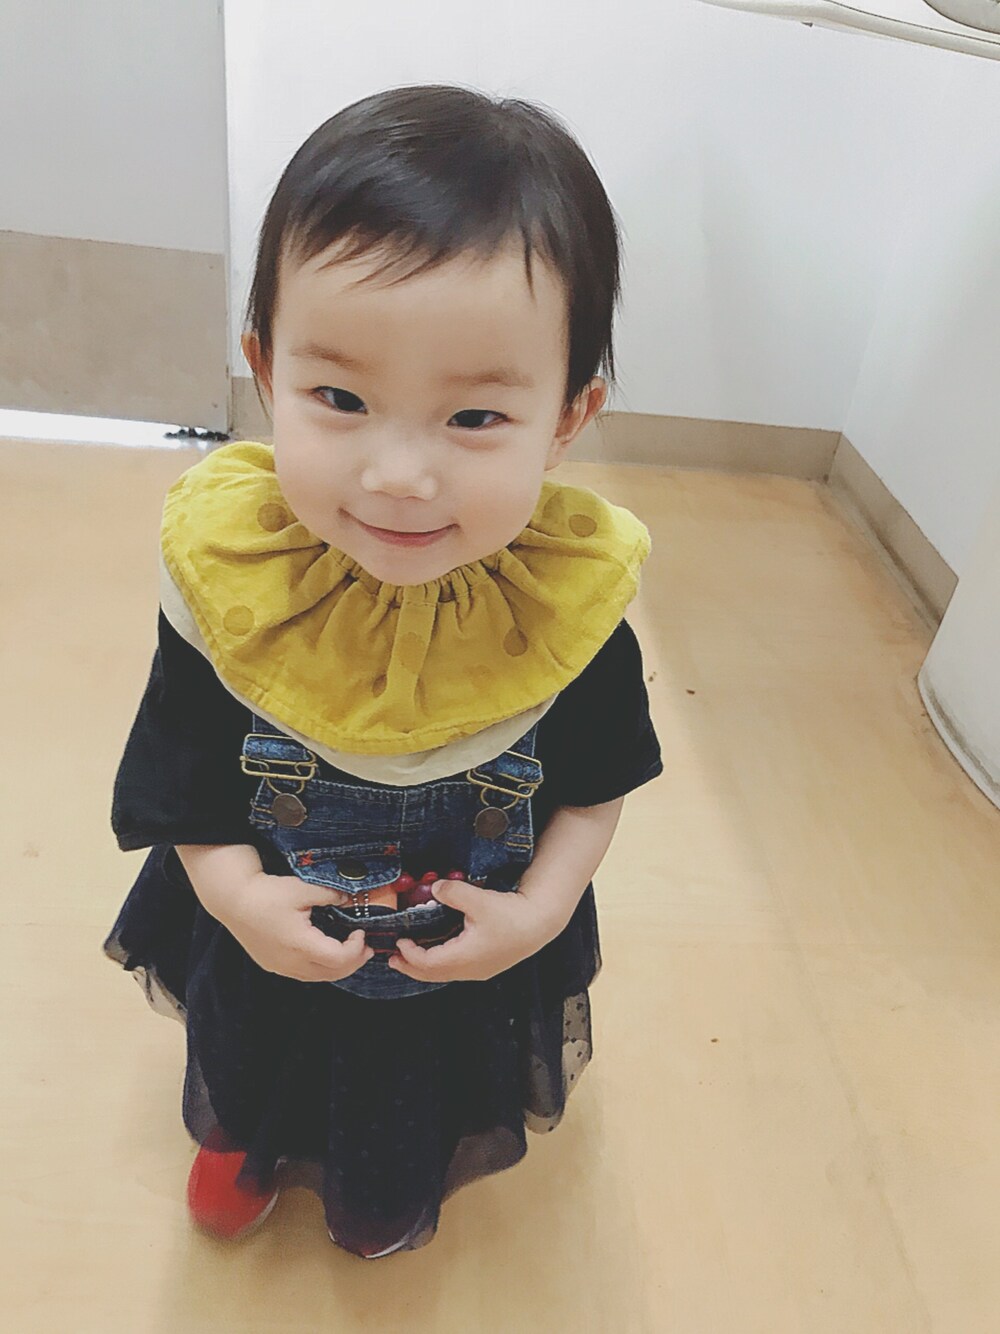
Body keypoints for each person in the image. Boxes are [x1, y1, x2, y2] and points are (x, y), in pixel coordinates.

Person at [103, 83, 664, 1260]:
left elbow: (597, 780)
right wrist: (232, 896)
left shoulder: (562, 604)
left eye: (475, 418)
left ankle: (383, 1182)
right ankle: (245, 1134)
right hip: (271, 921)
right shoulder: (236, 577)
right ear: (266, 370)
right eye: (341, 399)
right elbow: (181, 774)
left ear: (568, 417)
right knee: (253, 1045)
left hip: (459, 954)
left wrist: (540, 909)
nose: (398, 473)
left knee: (407, 1097)